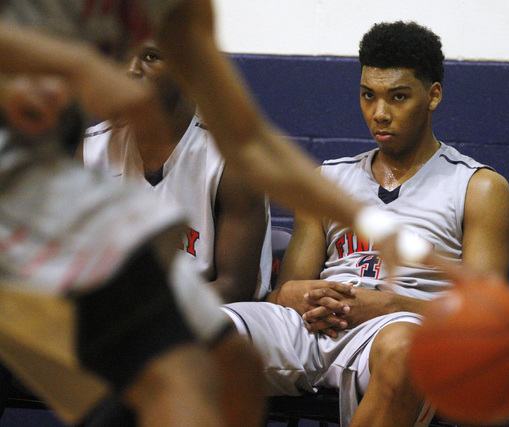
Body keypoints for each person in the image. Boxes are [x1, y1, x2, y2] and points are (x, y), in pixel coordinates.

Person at [0, 2, 428, 426]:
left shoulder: (221, 148)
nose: (129, 69)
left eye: (150, 57)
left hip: (202, 304)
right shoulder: (85, 138)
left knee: (216, 361)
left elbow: (254, 151)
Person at [222, 21, 509, 427]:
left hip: (402, 330)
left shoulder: (479, 187)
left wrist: (389, 305)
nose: (379, 113)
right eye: (368, 96)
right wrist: (295, 294)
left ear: (433, 96)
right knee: (198, 332)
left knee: (406, 350)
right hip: (315, 329)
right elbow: (290, 290)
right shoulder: (330, 178)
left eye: (398, 97)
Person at [81, 40, 272, 302]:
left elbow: (234, 287)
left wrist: (140, 314)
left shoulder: (231, 159)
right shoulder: (91, 149)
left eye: (150, 57)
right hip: (121, 312)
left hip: (217, 312)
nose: (131, 70)